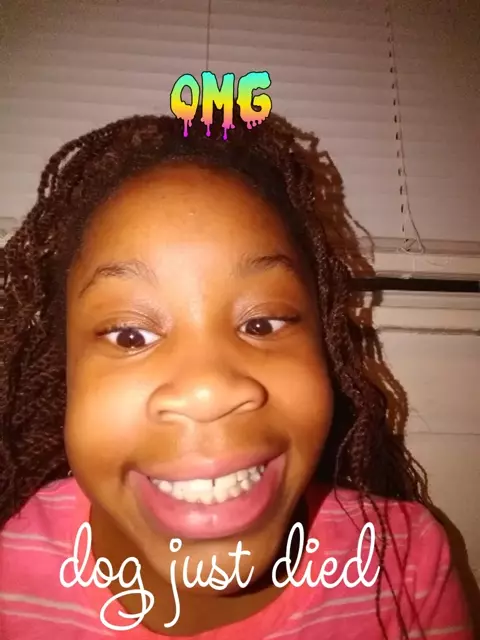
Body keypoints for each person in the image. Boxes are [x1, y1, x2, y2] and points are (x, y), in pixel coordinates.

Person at [0, 106, 473, 640]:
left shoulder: (405, 563)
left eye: (262, 323)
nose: (209, 390)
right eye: (130, 335)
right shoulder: (7, 569)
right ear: (64, 371)